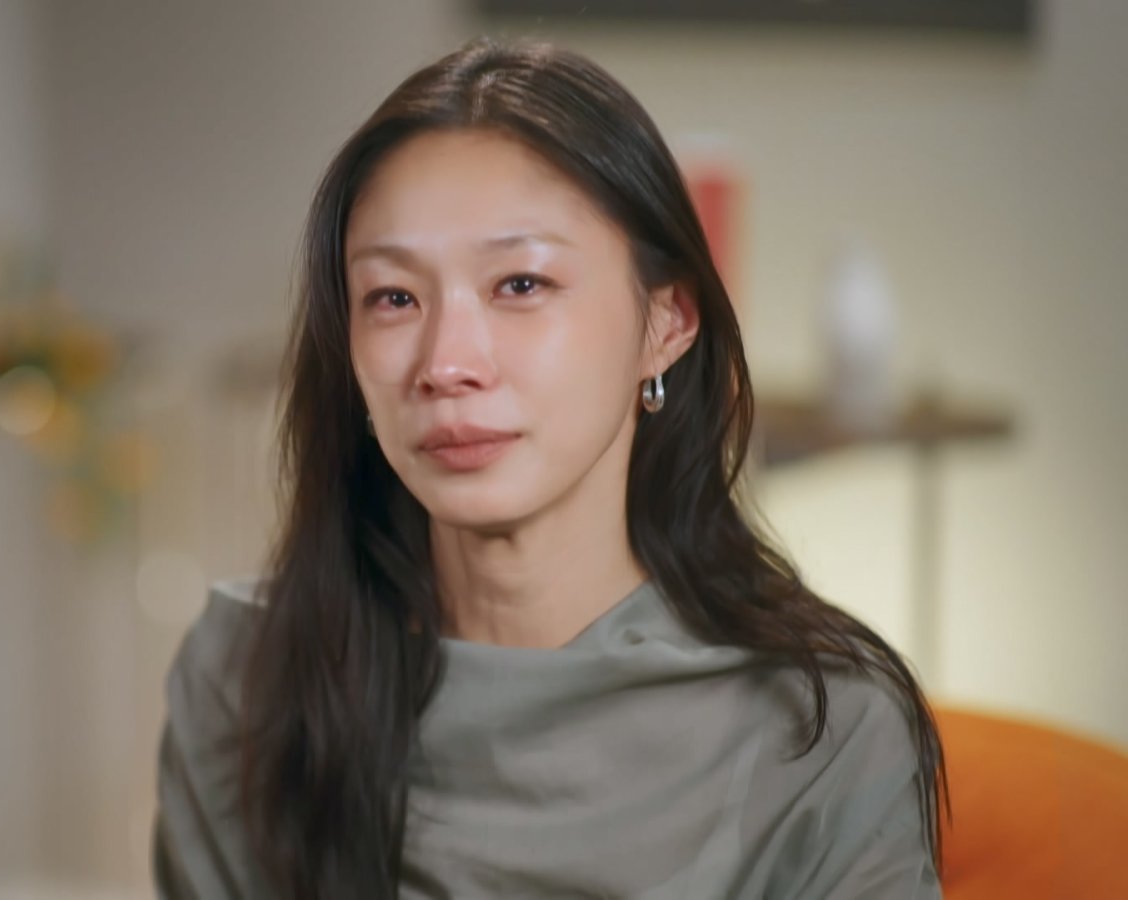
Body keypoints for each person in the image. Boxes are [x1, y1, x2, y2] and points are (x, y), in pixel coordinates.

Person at [153, 37, 945, 899]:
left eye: (521, 285)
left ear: (667, 322)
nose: (446, 363)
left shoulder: (823, 726)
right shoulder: (245, 681)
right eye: (393, 297)